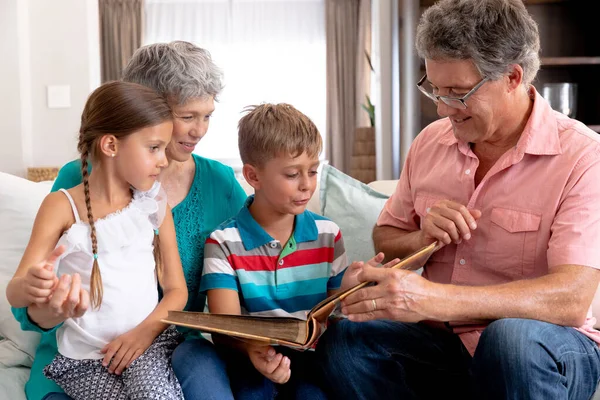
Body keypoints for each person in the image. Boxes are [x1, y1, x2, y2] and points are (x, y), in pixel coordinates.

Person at [316, 0, 600, 399]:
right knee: (347, 340)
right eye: (434, 87)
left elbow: (570, 298)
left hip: (546, 346)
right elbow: (387, 235)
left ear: (512, 77)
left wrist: (436, 300)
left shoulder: (584, 156)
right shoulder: (429, 143)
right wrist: (420, 239)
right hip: (443, 345)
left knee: (510, 340)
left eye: (458, 92)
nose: (442, 107)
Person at [11, 41, 247, 400]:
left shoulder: (219, 183)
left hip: (176, 340)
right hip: (85, 352)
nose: (200, 130)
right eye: (187, 116)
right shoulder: (74, 185)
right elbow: (27, 297)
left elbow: (261, 244)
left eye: (208, 115)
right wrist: (48, 305)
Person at [201, 103, 398, 399]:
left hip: (311, 360)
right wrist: (255, 351)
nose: (307, 185)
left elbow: (332, 318)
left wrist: (346, 291)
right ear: (253, 177)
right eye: (293, 174)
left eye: (313, 171)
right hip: (250, 358)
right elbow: (225, 329)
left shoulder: (327, 235)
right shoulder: (223, 242)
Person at [6, 81, 188, 400]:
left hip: (148, 345)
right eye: (154, 147)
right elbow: (16, 291)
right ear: (110, 145)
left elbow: (177, 290)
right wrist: (31, 286)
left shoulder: (154, 203)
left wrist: (142, 336)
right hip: (82, 361)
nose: (164, 160)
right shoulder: (62, 206)